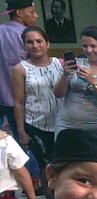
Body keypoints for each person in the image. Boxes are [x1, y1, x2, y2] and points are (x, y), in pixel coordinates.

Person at [11, 26, 62, 186]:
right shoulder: (20, 69)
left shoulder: (60, 64)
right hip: (36, 126)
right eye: (29, 42)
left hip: (62, 124)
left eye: (39, 41)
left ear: (47, 43)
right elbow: (19, 102)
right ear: (24, 45)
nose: (35, 45)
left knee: (64, 166)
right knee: (46, 168)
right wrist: (21, 132)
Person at [54, 26, 97, 135]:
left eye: (93, 46)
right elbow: (58, 94)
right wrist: (65, 75)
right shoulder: (76, 64)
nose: (89, 50)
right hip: (67, 126)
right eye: (85, 46)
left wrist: (93, 82)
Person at [0, 0, 38, 134]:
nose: (36, 16)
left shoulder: (1, 31)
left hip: (4, 100)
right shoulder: (29, 36)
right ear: (19, 13)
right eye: (32, 12)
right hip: (28, 102)